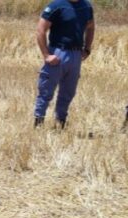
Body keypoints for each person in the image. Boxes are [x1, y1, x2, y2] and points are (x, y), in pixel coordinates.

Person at [33, 0, 95, 128]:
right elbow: (40, 30)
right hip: (58, 52)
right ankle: (39, 122)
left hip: (76, 54)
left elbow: (91, 27)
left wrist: (87, 48)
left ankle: (60, 122)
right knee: (46, 90)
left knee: (68, 92)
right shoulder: (56, 6)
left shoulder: (86, 6)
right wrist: (46, 55)